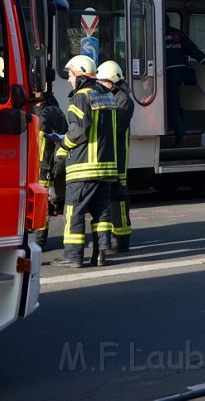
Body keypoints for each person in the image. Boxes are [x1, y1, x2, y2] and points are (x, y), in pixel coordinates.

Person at [51, 55, 119, 268]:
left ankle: (72, 256)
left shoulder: (80, 97)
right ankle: (100, 254)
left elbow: (78, 131)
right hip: (106, 166)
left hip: (83, 167)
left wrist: (63, 146)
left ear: (79, 74)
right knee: (102, 212)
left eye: (70, 75)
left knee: (74, 210)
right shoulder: (107, 96)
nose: (69, 80)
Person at [97, 60, 135, 253]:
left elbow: (116, 128)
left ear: (113, 82)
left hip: (119, 156)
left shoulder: (123, 100)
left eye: (103, 82)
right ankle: (112, 238)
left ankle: (121, 240)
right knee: (110, 196)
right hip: (110, 154)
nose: (100, 85)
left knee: (118, 196)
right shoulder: (112, 97)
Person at [164, 14, 205, 145]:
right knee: (174, 101)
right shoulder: (178, 34)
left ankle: (179, 135)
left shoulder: (157, 34)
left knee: (171, 104)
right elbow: (192, 49)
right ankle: (177, 128)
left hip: (168, 72)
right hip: (182, 71)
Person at [34, 91, 68, 250]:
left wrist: (54, 165)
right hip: (35, 164)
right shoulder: (36, 109)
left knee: (41, 203)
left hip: (43, 166)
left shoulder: (50, 112)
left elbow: (62, 139)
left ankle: (39, 241)